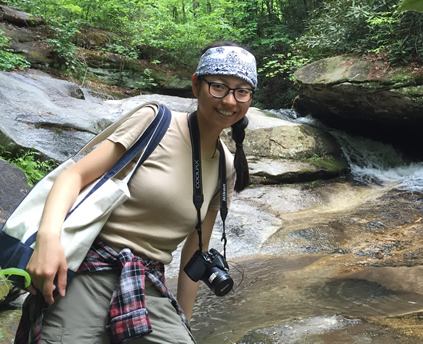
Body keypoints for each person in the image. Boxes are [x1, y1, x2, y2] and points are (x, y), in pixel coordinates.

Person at [16, 42, 257, 344]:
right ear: (197, 85)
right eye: (219, 87)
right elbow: (73, 176)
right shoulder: (155, 122)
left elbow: (195, 255)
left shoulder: (226, 167)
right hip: (87, 270)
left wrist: (183, 324)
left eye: (242, 91)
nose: (230, 101)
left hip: (147, 284)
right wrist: (47, 241)